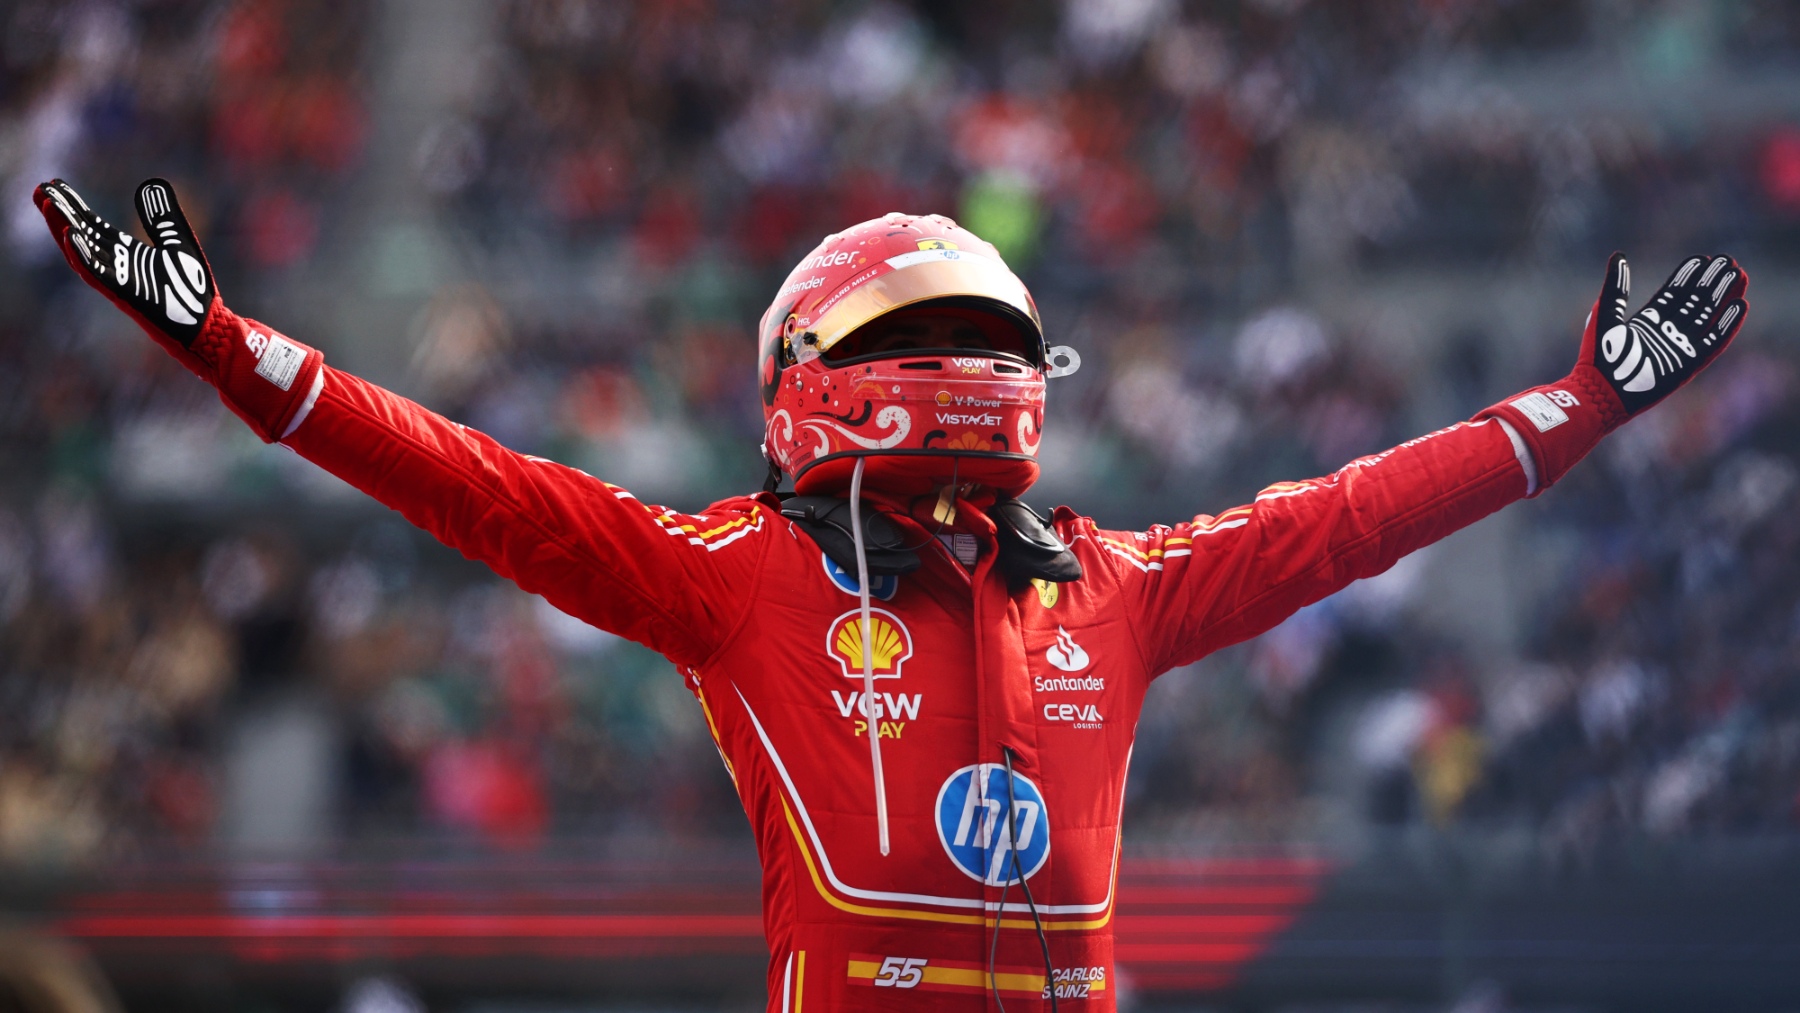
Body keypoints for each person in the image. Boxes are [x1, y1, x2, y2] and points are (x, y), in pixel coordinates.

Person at [34, 179, 1747, 1011]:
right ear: (801, 379)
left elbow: (1354, 516)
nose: (961, 369)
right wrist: (225, 345)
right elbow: (474, 483)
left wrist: (1586, 403)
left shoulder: (1112, 583)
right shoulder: (734, 577)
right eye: (915, 342)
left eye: (985, 340)